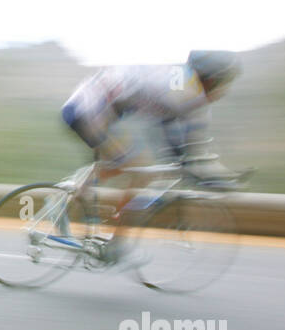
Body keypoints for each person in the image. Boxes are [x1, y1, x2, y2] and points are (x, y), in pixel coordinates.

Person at [61, 50, 243, 224]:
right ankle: (111, 233)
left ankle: (76, 196)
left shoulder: (186, 84)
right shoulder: (182, 87)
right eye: (222, 83)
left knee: (128, 165)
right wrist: (197, 170)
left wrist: (217, 176)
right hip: (88, 110)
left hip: (96, 110)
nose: (222, 91)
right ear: (211, 79)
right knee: (137, 167)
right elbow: (173, 132)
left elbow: (191, 144)